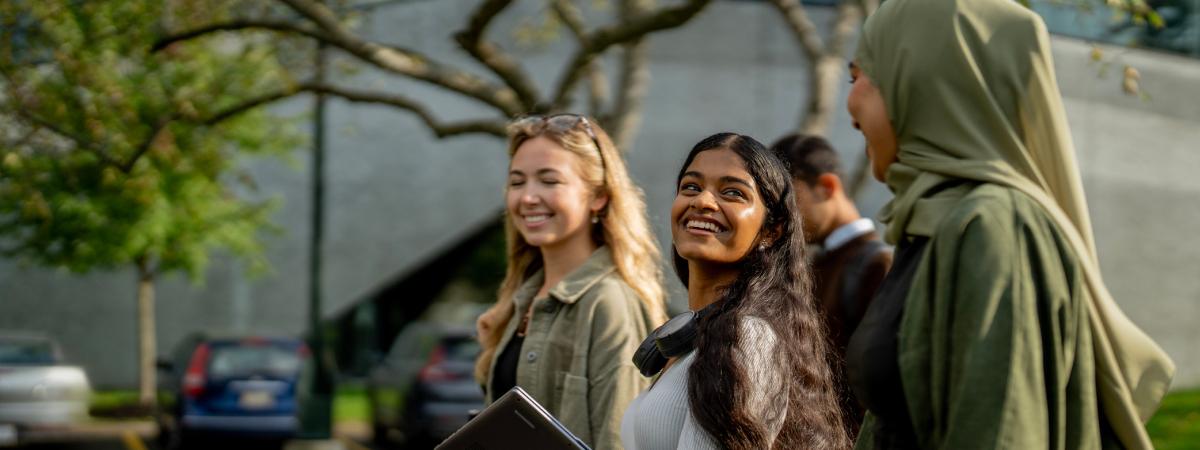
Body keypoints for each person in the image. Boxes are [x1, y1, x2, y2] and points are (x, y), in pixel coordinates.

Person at [843, 0, 1175, 448]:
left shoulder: (993, 226)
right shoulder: (935, 223)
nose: (850, 106)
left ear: (925, 80)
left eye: (859, 77)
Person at [621, 133, 849, 450]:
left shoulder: (747, 337)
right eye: (691, 187)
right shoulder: (694, 339)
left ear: (771, 231)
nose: (702, 201)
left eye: (732, 192)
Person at [474, 114, 668, 450]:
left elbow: (618, 443)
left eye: (549, 181)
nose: (528, 197)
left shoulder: (609, 302)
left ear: (599, 197)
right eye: (517, 182)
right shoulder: (521, 301)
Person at [769, 133, 892, 431]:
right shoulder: (811, 266)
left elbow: (882, 387)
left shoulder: (878, 265)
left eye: (789, 201)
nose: (782, 218)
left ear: (827, 187)